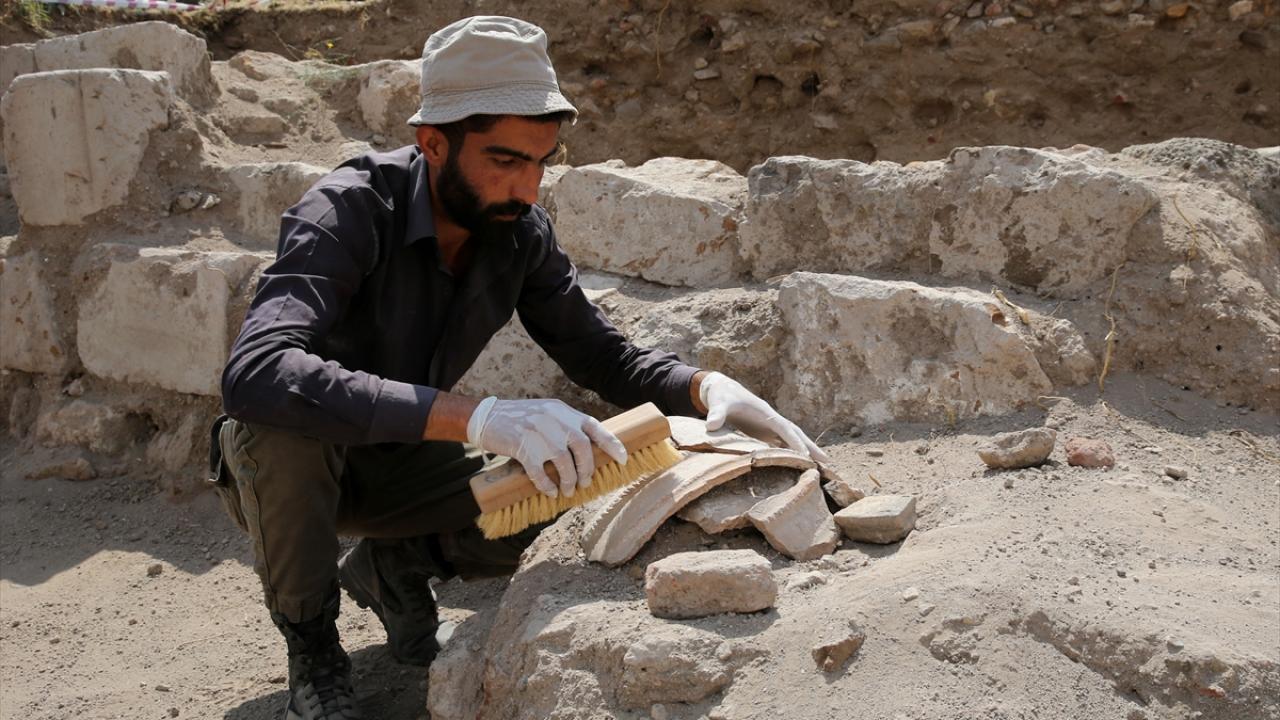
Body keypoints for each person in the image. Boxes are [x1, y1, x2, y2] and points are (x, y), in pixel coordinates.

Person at [209, 15, 830, 720]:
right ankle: (314, 649)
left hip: (410, 463)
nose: (528, 189)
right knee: (275, 430)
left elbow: (600, 353)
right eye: (506, 161)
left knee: (588, 468)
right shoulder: (348, 210)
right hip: (295, 472)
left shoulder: (517, 232)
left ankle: (400, 565)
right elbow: (256, 372)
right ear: (433, 142)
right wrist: (477, 416)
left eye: (541, 162)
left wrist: (705, 386)